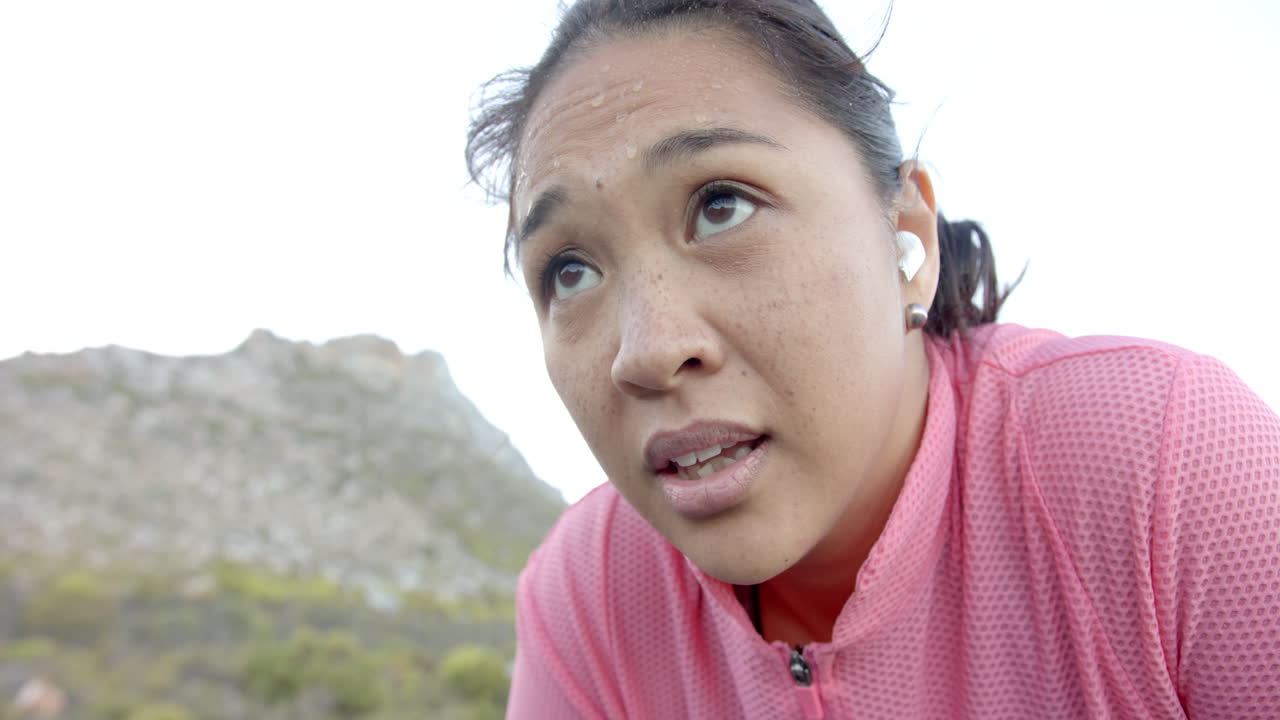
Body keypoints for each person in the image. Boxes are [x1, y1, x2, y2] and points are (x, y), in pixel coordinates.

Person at [465, 1, 1280, 717]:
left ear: (910, 236)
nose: (647, 351)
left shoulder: (1162, 463)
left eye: (721, 206)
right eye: (568, 271)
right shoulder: (594, 592)